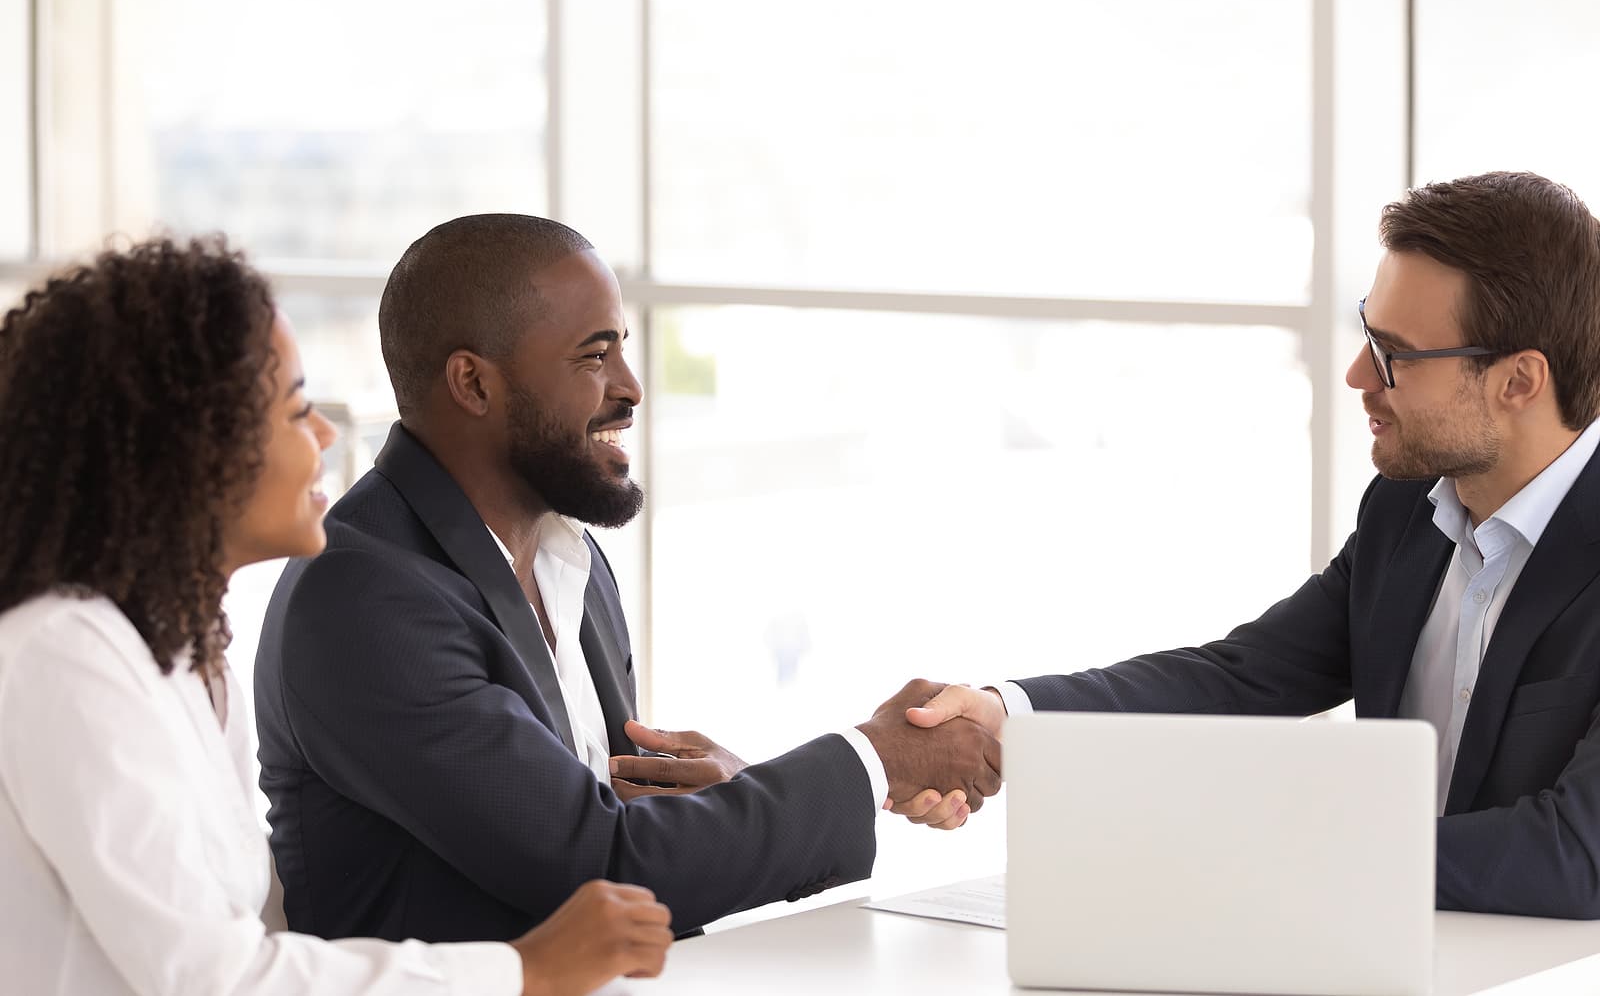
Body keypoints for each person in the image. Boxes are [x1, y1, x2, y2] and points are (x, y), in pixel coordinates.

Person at [254, 213, 1002, 942]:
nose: (633, 386)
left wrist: (751, 788)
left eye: (624, 349)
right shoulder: (364, 597)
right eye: (594, 355)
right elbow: (602, 866)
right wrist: (876, 758)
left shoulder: (567, 557)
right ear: (473, 384)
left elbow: (623, 825)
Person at [902, 171, 1600, 919]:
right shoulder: (1408, 508)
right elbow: (1241, 677)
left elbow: (1575, 854)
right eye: (1367, 332)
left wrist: (1265, 845)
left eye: (1393, 355)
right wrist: (1005, 715)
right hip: (1384, 950)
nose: (1356, 373)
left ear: (1519, 381)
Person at [0, 236, 676, 995]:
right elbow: (213, 977)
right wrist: (527, 968)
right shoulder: (64, 657)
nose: (324, 435)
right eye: (294, 409)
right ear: (183, 449)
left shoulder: (183, 653)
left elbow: (232, 926)